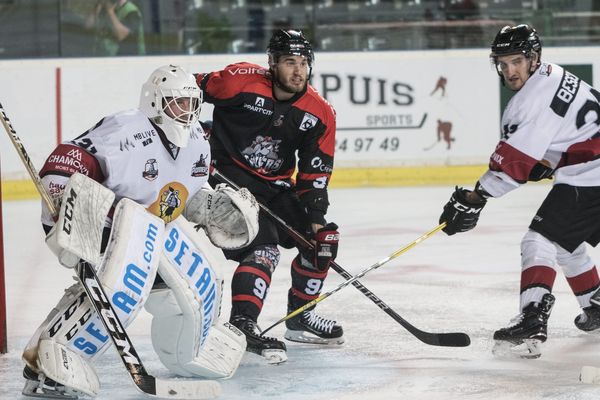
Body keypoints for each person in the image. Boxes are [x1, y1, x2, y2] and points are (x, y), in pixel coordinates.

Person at [20, 65, 258, 398]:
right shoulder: (127, 129)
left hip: (151, 226)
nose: (187, 112)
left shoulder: (197, 143)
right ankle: (53, 359)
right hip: (95, 220)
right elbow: (72, 156)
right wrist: (60, 190)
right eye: (178, 103)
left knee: (189, 287)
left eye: (192, 103)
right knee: (123, 287)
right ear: (155, 102)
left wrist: (206, 206)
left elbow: (185, 191)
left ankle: (190, 349)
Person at [439, 24, 600, 359]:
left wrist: (474, 198)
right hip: (587, 167)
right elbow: (564, 131)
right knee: (565, 244)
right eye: (503, 62)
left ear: (533, 58)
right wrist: (552, 159)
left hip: (591, 174)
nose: (510, 70)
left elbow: (513, 164)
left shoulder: (529, 101)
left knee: (537, 240)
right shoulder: (553, 75)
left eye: (516, 61)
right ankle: (595, 306)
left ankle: (532, 320)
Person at [195, 29, 344, 363]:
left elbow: (314, 174)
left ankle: (300, 317)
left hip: (275, 187)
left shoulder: (319, 113)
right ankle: (243, 322)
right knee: (263, 246)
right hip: (226, 180)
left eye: (304, 62)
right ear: (272, 64)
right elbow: (183, 91)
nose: (298, 70)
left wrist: (317, 221)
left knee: (321, 243)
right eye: (290, 62)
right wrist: (194, 138)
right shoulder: (238, 82)